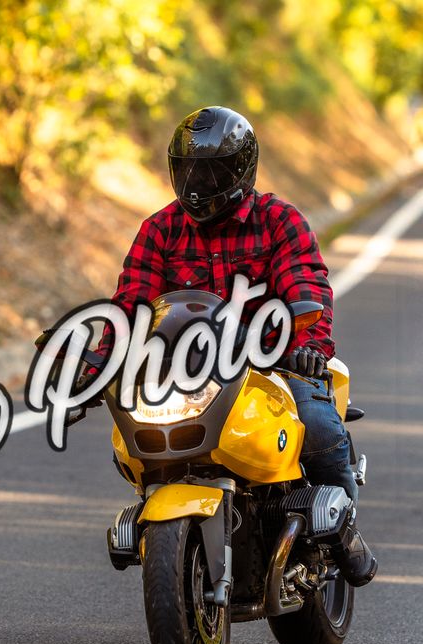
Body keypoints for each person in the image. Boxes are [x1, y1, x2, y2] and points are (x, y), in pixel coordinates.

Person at [108, 106, 376, 587]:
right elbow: (131, 303)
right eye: (188, 170)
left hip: (272, 367)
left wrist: (307, 347)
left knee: (316, 425)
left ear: (241, 170)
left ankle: (345, 535)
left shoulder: (279, 221)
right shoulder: (159, 229)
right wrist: (96, 363)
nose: (197, 183)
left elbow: (306, 287)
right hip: (188, 374)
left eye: (211, 171)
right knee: (132, 440)